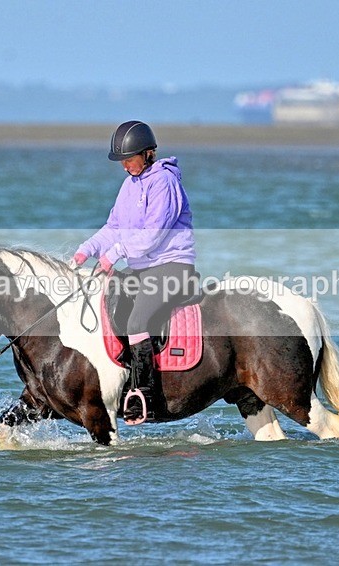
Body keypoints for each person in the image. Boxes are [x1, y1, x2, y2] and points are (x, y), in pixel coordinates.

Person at [72, 120, 197, 423]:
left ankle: (146, 398)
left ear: (149, 153)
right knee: (106, 302)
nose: (125, 166)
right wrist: (86, 249)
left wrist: (115, 254)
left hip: (173, 267)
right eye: (122, 161)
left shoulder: (164, 182)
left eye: (130, 159)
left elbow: (154, 233)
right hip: (142, 268)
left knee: (138, 321)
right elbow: (114, 228)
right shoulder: (130, 184)